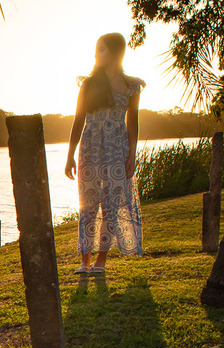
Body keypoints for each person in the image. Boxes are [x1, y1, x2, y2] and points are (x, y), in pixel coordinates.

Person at [64, 33, 145, 275]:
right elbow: (78, 120)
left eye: (101, 49)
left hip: (117, 149)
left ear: (115, 52)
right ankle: (85, 261)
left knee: (111, 205)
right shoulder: (89, 84)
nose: (96, 54)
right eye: (96, 49)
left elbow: (133, 122)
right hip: (90, 147)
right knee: (88, 203)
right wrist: (69, 155)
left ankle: (101, 261)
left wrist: (132, 155)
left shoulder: (131, 86)